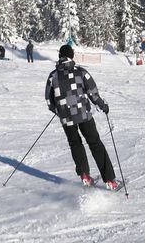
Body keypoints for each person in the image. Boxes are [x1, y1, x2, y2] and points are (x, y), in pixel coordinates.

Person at [45, 44, 118, 190]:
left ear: (60, 56)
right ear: (71, 55)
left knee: (75, 144)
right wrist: (103, 106)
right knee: (95, 143)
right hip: (83, 115)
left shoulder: (53, 76)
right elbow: (93, 93)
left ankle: (85, 176)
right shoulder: (81, 72)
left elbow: (48, 99)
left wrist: (59, 111)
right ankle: (110, 180)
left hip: (66, 118)